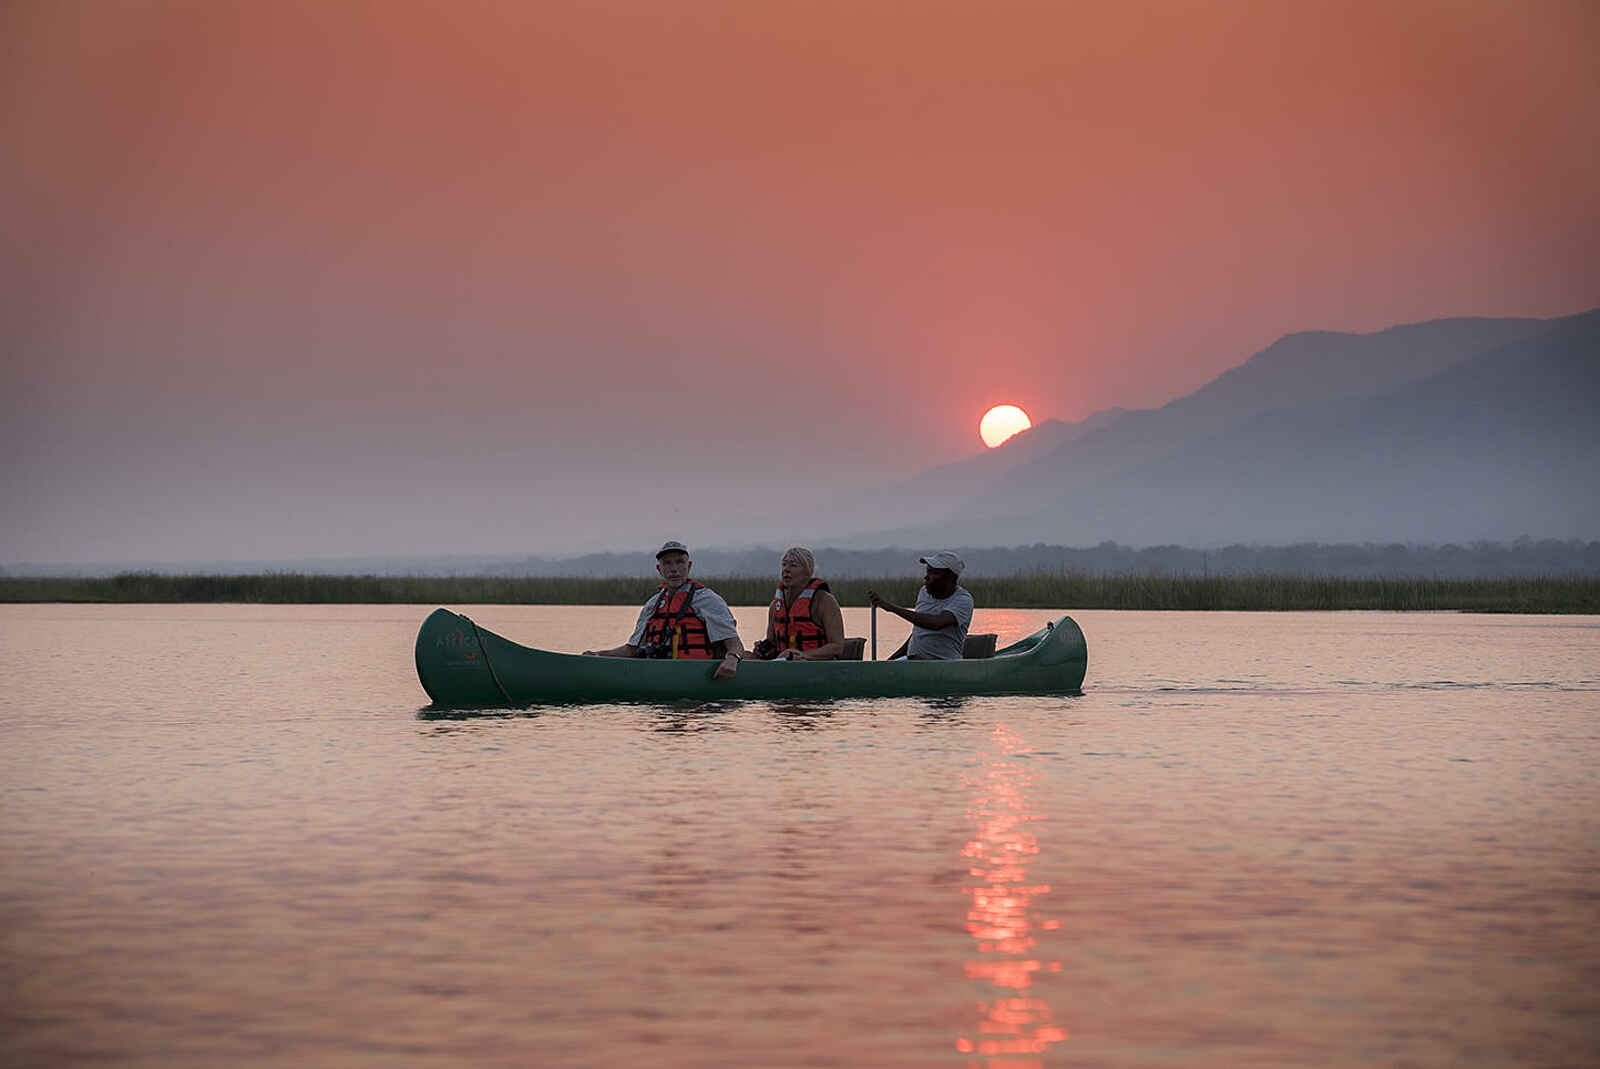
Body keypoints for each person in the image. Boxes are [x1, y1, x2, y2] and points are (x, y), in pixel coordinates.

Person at [583, 541, 747, 679]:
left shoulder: (708, 600)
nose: (674, 569)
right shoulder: (652, 605)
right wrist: (597, 656)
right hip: (657, 675)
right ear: (659, 569)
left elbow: (735, 644)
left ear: (689, 566)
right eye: (667, 563)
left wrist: (732, 660)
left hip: (697, 676)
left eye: (679, 562)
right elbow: (630, 650)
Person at [866, 551, 973, 660]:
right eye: (927, 572)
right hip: (913, 660)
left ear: (950, 578)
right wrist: (889, 661)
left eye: (933, 573)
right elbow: (918, 632)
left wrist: (892, 608)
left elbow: (936, 623)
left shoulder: (963, 600)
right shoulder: (924, 592)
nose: (926, 577)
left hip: (944, 663)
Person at [748, 547, 845, 662]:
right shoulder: (775, 606)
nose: (786, 570)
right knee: (746, 656)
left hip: (817, 667)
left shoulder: (825, 602)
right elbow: (773, 643)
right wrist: (762, 649)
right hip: (783, 665)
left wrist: (803, 655)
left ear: (808, 572)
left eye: (793, 565)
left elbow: (837, 647)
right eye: (784, 565)